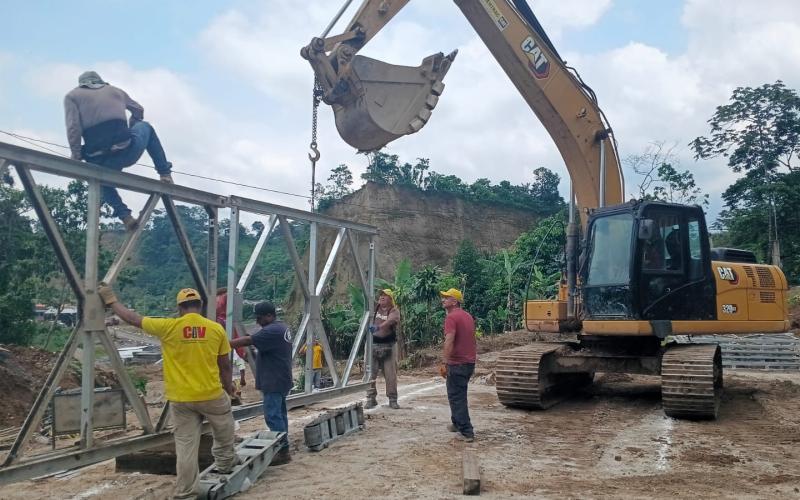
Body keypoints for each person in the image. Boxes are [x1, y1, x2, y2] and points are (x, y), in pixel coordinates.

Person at [96, 285, 236, 499]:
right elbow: (225, 366)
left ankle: (186, 492)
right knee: (224, 428)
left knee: (186, 447)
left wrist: (111, 300)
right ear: (200, 305)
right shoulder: (216, 329)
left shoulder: (168, 327)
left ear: (180, 308)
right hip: (211, 395)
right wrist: (229, 390)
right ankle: (226, 462)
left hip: (181, 400)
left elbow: (133, 319)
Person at [64, 71, 174, 230]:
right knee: (146, 127)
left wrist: (76, 156)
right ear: (101, 82)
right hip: (127, 151)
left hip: (98, 159)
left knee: (99, 176)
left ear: (81, 84)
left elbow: (73, 128)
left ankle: (124, 216)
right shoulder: (116, 91)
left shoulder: (72, 96)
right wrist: (133, 123)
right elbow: (138, 110)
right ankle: (164, 173)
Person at [229, 302, 293, 466]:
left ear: (270, 316)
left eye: (259, 318)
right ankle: (283, 447)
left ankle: (282, 450)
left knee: (273, 416)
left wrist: (224, 343)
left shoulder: (272, 330)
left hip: (274, 380)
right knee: (280, 414)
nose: (257, 322)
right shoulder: (281, 328)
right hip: (280, 378)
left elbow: (249, 340)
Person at [439, 288, 477, 443]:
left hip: (457, 363)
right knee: (456, 394)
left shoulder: (451, 318)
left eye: (446, 297)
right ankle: (456, 422)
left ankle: (466, 431)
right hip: (468, 362)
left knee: (457, 397)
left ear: (454, 301)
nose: (443, 300)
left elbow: (449, 340)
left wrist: (445, 361)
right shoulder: (467, 316)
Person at [365, 289, 401, 409]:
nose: (382, 297)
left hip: (389, 345)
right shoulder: (374, 308)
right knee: (370, 373)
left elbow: (391, 320)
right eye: (381, 295)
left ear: (391, 299)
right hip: (372, 345)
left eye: (385, 295)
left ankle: (392, 399)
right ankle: (371, 398)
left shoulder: (394, 310)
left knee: (391, 374)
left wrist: (379, 327)